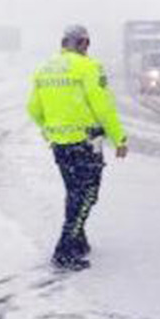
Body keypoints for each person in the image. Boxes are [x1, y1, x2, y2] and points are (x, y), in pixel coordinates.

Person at [27, 24, 129, 271]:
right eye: (87, 43)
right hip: (86, 143)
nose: (87, 49)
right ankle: (64, 250)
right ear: (82, 43)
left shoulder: (43, 69)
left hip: (60, 146)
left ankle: (78, 240)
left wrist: (50, 130)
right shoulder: (88, 67)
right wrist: (119, 138)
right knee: (87, 195)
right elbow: (103, 108)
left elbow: (33, 109)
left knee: (74, 192)